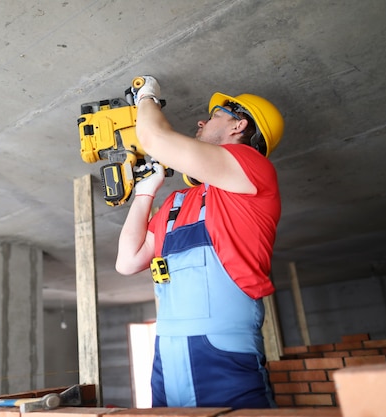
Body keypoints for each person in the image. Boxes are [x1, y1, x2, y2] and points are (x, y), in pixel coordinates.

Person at [115, 76, 284, 409]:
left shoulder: (254, 168)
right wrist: (146, 192)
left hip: (223, 353)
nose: (201, 120)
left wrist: (146, 95)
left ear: (240, 124)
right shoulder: (178, 202)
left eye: (215, 115)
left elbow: (154, 138)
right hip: (166, 356)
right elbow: (128, 261)